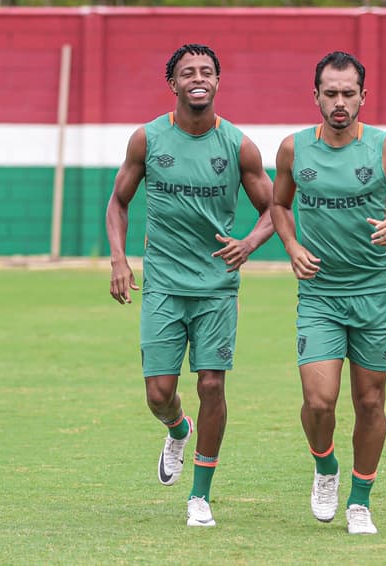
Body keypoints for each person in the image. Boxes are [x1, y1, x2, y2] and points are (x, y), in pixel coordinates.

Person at [105, 43, 274, 528]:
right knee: (159, 393)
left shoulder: (239, 145)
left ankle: (199, 495)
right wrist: (119, 259)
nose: (197, 78)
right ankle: (178, 429)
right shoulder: (148, 139)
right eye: (187, 72)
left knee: (212, 383)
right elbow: (118, 202)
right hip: (162, 285)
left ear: (218, 82)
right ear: (173, 83)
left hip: (216, 287)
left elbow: (275, 210)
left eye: (206, 71)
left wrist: (249, 244)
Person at [270, 51, 386, 535]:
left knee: (370, 403)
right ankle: (325, 467)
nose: (339, 102)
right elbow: (279, 204)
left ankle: (360, 501)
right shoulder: (293, 149)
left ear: (364, 95)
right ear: (315, 95)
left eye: (348, 93)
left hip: (374, 294)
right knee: (319, 402)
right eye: (330, 93)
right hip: (320, 294)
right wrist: (292, 244)